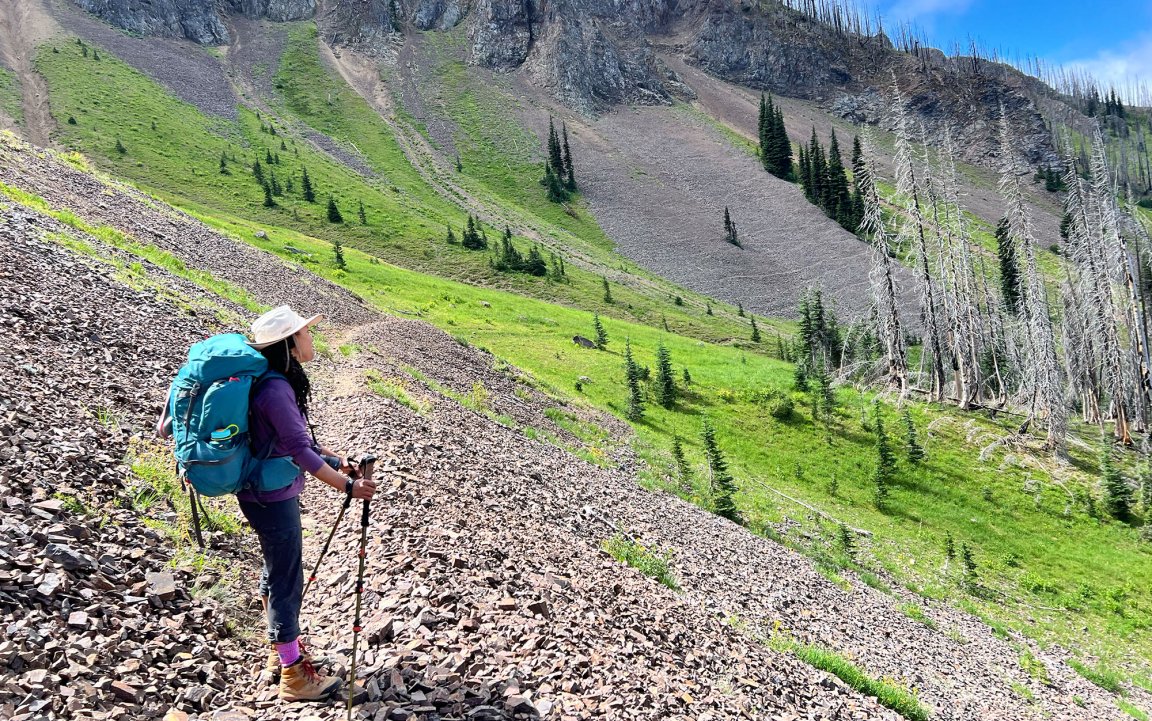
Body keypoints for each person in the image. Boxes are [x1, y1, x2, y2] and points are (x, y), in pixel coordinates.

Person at [243, 306, 377, 702]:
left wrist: (339, 463)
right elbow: (300, 450)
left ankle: (279, 649)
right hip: (271, 494)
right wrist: (347, 486)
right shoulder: (276, 389)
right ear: (289, 343)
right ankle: (294, 675)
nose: (311, 338)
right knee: (286, 578)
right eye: (305, 333)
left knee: (275, 568)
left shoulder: (272, 383)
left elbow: (295, 441)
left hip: (261, 491)